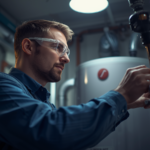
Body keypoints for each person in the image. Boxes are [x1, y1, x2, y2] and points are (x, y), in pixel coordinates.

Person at [0, 20, 150, 150]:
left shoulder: (42, 101)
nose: (66, 58)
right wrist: (121, 95)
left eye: (67, 51)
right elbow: (52, 131)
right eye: (57, 47)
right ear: (28, 46)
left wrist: (124, 103)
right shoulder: (3, 86)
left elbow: (72, 140)